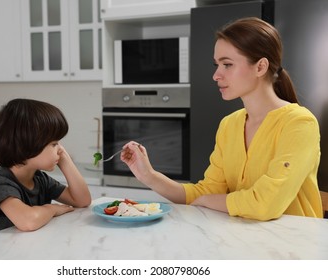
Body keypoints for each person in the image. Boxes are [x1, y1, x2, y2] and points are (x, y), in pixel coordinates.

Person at [121, 17, 323, 221]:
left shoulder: (299, 123)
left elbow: (265, 204)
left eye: (227, 64)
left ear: (260, 67)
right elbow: (206, 191)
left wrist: (209, 200)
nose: (216, 75)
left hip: (293, 247)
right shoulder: (230, 124)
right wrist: (149, 175)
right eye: (217, 64)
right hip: (242, 242)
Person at [0, 98, 91, 238]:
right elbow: (28, 221)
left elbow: (82, 200)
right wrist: (51, 209)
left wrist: (64, 159)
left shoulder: (39, 179)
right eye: (54, 144)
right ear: (27, 145)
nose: (60, 149)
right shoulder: (0, 185)